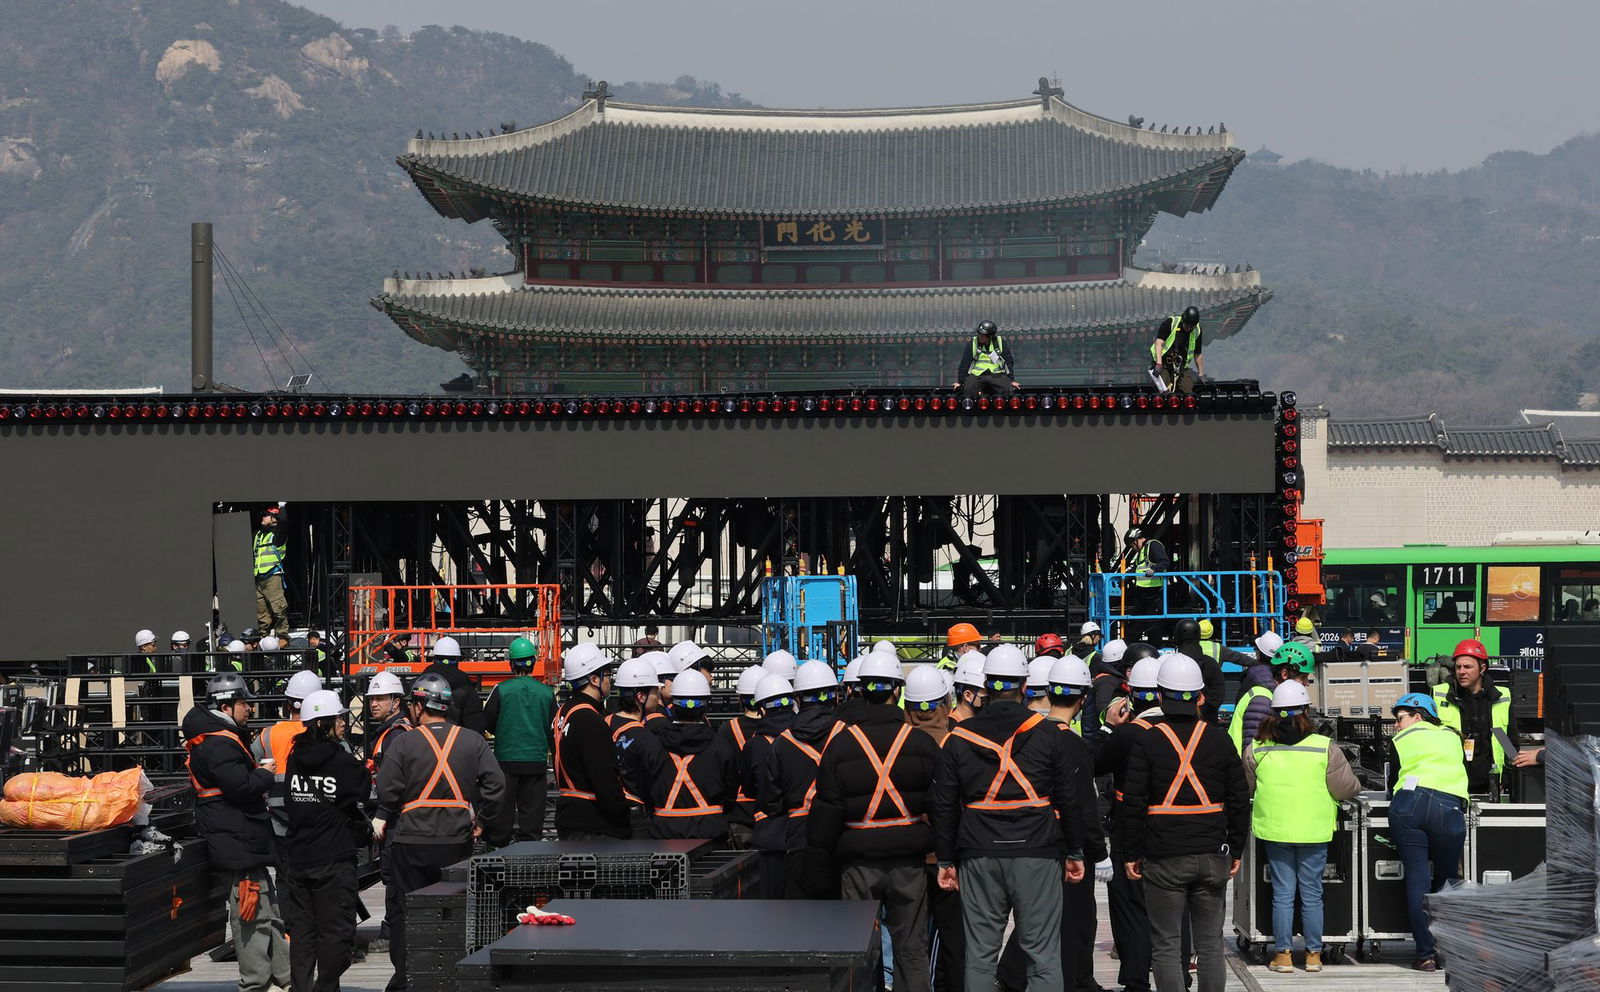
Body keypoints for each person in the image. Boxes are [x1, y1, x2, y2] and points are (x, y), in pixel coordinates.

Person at [931, 643, 1087, 992]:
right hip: (1037, 853)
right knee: (1043, 955)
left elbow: (942, 803)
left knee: (981, 955)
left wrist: (945, 859)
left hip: (979, 853)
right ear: (1023, 684)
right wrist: (1075, 851)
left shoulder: (959, 738)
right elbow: (1070, 798)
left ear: (986, 686)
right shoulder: (1049, 734)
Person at [1118, 654, 1250, 992]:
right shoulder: (1220, 740)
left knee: (1166, 944)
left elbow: (1133, 803)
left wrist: (1131, 852)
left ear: (1161, 696)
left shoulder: (1148, 740)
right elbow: (1238, 799)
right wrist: (1235, 848)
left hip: (1163, 857)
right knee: (1209, 946)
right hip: (1211, 854)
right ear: (1200, 696)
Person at [810, 652, 939, 992]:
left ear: (861, 691)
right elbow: (940, 806)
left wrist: (821, 860)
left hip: (858, 861)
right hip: (908, 862)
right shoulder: (921, 743)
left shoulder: (839, 746)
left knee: (857, 950)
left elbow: (827, 810)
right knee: (911, 946)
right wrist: (947, 854)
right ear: (898, 691)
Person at [373, 672, 507, 992]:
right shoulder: (472, 740)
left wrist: (382, 815)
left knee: (407, 916)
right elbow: (496, 786)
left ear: (419, 706)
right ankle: (451, 976)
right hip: (456, 842)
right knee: (454, 914)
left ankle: (409, 979)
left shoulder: (405, 741)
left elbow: (387, 789)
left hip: (411, 843)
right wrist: (483, 822)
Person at [996, 654, 1105, 992]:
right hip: (1067, 844)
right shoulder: (1070, 743)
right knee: (1077, 918)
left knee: (1040, 916)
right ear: (1083, 699)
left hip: (1034, 838)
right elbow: (1082, 802)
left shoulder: (1029, 738)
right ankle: (1073, 981)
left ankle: (1015, 974)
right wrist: (1097, 852)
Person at [183, 672, 292, 992]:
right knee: (251, 912)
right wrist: (264, 774)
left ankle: (287, 975)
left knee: (267, 911)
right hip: (236, 836)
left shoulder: (216, 737)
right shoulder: (217, 742)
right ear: (226, 705)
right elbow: (239, 787)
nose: (250, 709)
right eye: (244, 703)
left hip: (240, 836)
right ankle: (255, 982)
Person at [1242, 681, 1360, 974]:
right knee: (1311, 893)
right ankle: (1313, 955)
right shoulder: (1324, 748)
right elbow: (1347, 789)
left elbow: (1245, 787)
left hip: (1275, 830)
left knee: (1282, 893)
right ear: (1306, 711)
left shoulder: (1257, 748)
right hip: (1313, 830)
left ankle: (1282, 955)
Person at [282, 689, 370, 992]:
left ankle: (302, 988)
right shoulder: (340, 761)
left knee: (303, 933)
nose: (344, 724)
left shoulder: (294, 758)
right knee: (337, 933)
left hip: (300, 859)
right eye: (339, 718)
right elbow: (361, 786)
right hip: (333, 860)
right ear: (323, 723)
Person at [1093, 654, 1166, 992]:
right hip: (1172, 832)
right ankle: (1176, 974)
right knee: (1173, 910)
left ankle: (1136, 979)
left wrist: (1109, 726)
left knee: (1130, 907)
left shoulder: (1128, 734)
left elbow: (1094, 763)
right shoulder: (1189, 729)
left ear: (1132, 696)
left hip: (1129, 830)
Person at [1384, 692, 1468, 973]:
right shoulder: (1453, 737)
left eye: (1400, 719)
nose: (1396, 725)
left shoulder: (1402, 740)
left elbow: (1393, 780)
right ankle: (1450, 951)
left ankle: (1425, 955)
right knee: (1448, 881)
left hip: (1409, 804)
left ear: (1417, 717)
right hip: (1449, 806)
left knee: (1417, 877)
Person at [756, 659, 844, 898]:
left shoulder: (782, 743)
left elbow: (770, 802)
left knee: (801, 919)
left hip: (799, 840)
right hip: (841, 837)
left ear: (797, 700)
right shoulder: (848, 734)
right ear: (835, 696)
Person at [902, 665, 962, 992]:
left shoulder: (898, 743)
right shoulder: (959, 744)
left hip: (907, 855)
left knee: (911, 936)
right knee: (951, 934)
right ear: (945, 703)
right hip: (949, 855)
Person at [640, 669, 737, 840]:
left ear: (674, 705)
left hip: (665, 832)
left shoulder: (653, 744)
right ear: (706, 705)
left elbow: (646, 788)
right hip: (710, 831)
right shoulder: (720, 746)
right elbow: (730, 792)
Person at [551, 643, 631, 839]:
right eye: (607, 675)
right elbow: (604, 777)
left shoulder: (562, 714)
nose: (610, 681)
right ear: (595, 679)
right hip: (593, 823)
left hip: (570, 817)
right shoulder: (590, 720)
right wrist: (623, 816)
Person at [484, 636, 556, 842]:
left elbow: (487, 721)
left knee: (501, 819)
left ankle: (497, 860)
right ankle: (528, 864)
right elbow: (554, 729)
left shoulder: (501, 690)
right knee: (531, 824)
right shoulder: (547, 693)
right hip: (536, 763)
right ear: (533, 662)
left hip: (506, 763)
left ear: (511, 663)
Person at [362, 670, 410, 946]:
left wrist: (381, 816)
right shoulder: (389, 733)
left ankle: (394, 932)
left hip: (394, 817)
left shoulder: (395, 735)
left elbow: (393, 782)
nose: (374, 704)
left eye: (380, 698)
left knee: (393, 878)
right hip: (393, 815)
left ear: (396, 701)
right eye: (371, 699)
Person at [1431, 638, 1512, 794]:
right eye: (1458, 667)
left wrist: (1507, 778)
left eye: (1468, 667)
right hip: (1451, 783)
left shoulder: (1500, 697)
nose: (1462, 671)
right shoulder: (1441, 695)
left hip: (1491, 784)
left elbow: (1507, 742)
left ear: (1482, 668)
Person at [252, 668, 324, 844]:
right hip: (317, 815)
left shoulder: (267, 734)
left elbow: (248, 769)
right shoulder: (323, 733)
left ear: (288, 704)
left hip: (278, 816)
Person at [746, 673, 797, 899]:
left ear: (762, 710)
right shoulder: (805, 738)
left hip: (769, 835)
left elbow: (748, 787)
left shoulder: (755, 745)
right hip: (803, 833)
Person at [610, 655, 666, 836]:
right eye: (654, 692)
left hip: (606, 814)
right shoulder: (646, 738)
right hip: (636, 818)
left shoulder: (603, 722)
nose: (658, 698)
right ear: (641, 696)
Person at [720, 665, 768, 848]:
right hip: (770, 811)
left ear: (740, 699)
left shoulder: (726, 730)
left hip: (739, 814)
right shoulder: (779, 730)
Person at [1228, 631, 1284, 754]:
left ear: (1258, 653)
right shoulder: (1270, 687)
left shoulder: (1253, 679)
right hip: (1251, 759)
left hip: (1244, 756)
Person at [421, 635, 486, 732]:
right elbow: (475, 725)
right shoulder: (465, 688)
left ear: (434, 659)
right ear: (457, 660)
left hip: (424, 739)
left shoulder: (420, 683)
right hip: (456, 742)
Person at [1171, 619, 1225, 723]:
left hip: (1177, 721)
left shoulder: (1172, 663)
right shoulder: (1211, 663)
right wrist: (1202, 710)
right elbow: (1218, 694)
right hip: (1207, 723)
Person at [1122, 528, 1170, 644]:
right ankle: (1127, 646)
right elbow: (1137, 568)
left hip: (1154, 593)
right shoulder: (1142, 551)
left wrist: (1154, 569)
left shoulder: (1153, 545)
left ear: (1134, 541)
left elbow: (1164, 562)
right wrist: (1124, 576)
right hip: (1143, 593)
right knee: (1136, 621)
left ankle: (1154, 648)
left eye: (1131, 546)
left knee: (1153, 624)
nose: (1133, 549)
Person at [1082, 638, 1136, 738]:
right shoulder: (1107, 684)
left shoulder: (1110, 680)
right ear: (1121, 662)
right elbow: (1109, 718)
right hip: (1099, 744)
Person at [952, 319, 1019, 399]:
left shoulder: (999, 342)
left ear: (990, 336)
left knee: (1006, 390)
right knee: (969, 390)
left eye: (982, 335)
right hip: (977, 375)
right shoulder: (973, 342)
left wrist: (1011, 380)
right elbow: (965, 362)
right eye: (979, 333)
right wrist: (961, 381)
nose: (979, 336)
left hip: (997, 375)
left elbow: (1008, 361)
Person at [1149, 306, 1204, 395]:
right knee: (1163, 390)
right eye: (1187, 325)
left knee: (1188, 391)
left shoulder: (1197, 330)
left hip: (1181, 366)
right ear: (1183, 320)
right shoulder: (1171, 323)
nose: (1189, 329)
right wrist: (1158, 364)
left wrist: (1201, 374)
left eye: (1191, 327)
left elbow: (1198, 354)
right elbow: (1158, 343)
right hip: (1164, 364)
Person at [253, 506, 289, 639]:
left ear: (274, 518)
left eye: (266, 515)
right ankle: (263, 638)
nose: (262, 517)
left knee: (278, 608)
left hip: (272, 576)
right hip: (259, 579)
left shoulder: (278, 535)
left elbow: (284, 522)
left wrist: (282, 507)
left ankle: (282, 637)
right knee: (262, 613)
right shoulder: (258, 535)